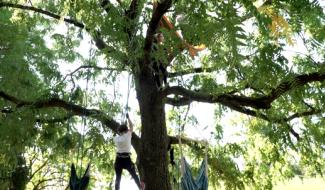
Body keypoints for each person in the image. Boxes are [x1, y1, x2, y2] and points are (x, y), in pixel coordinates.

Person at [113, 113, 144, 190]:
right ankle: (140, 187)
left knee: (118, 178)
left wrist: (122, 129)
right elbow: (131, 126)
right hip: (126, 159)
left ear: (120, 132)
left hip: (118, 159)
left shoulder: (116, 139)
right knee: (134, 175)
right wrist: (128, 118)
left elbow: (120, 133)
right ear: (126, 131)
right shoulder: (128, 135)